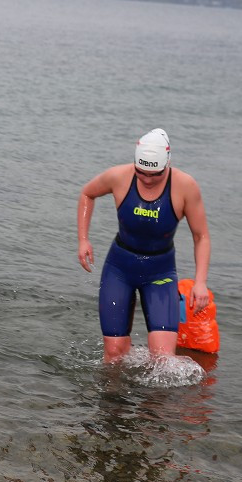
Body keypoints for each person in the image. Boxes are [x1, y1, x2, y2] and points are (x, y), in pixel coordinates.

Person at [76, 128, 211, 362]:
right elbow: (87, 194)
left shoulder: (185, 186)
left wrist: (200, 282)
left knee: (163, 359)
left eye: (155, 174)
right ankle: (112, 397)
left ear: (167, 163)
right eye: (141, 172)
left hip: (160, 273)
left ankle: (155, 399)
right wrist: (83, 239)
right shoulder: (118, 176)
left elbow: (201, 237)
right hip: (119, 269)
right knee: (114, 352)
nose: (148, 179)